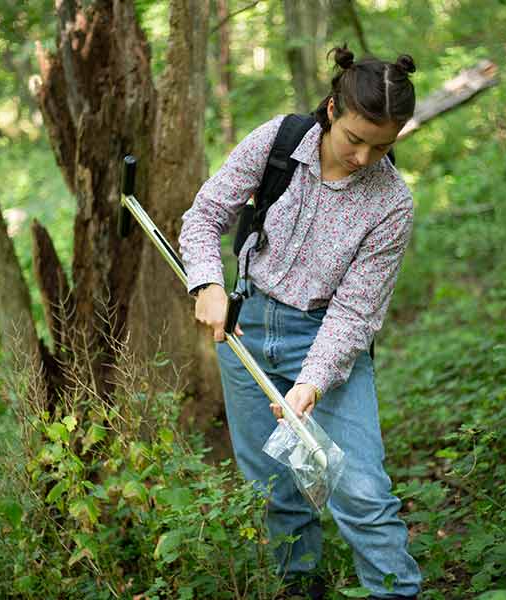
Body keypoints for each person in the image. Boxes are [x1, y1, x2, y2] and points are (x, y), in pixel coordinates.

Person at [178, 46, 422, 599]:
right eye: (355, 139)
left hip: (324, 338)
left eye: (382, 146)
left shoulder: (391, 204)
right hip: (244, 328)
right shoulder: (279, 140)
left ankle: (395, 592)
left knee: (359, 489)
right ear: (333, 109)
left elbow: (356, 313)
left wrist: (310, 384)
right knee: (275, 484)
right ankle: (298, 587)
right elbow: (204, 214)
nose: (364, 157)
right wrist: (208, 283)